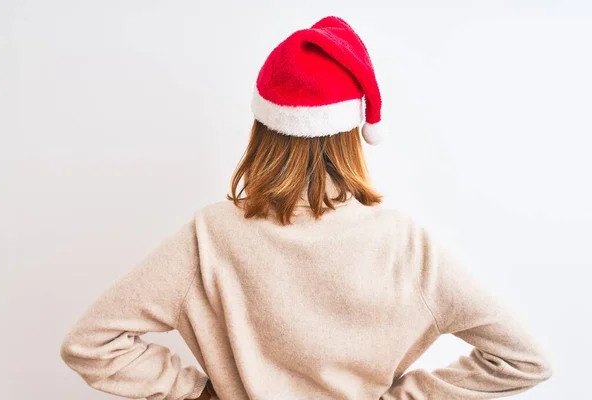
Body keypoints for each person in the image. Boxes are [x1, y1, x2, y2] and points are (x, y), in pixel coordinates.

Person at [59, 15, 553, 399]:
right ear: (352, 135)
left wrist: (198, 392)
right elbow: (524, 360)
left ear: (263, 130)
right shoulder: (404, 245)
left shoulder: (210, 236)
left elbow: (90, 345)